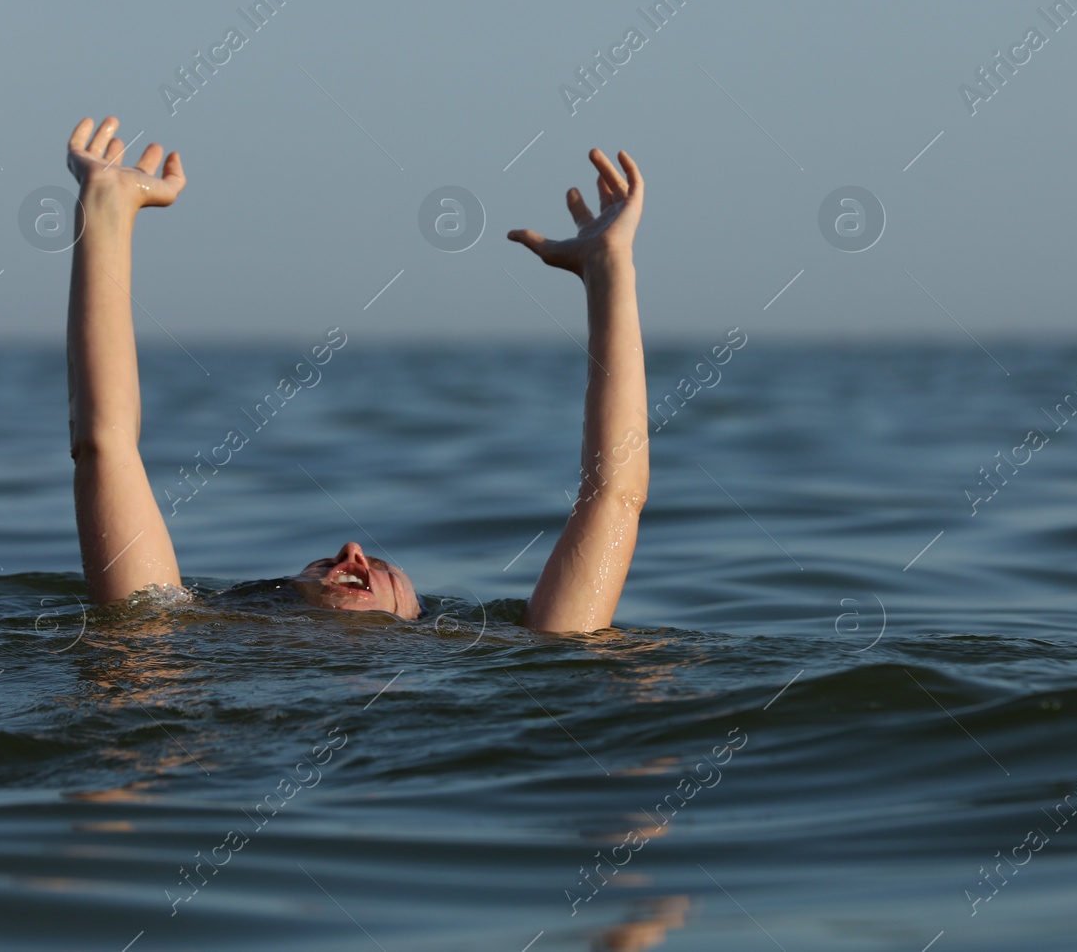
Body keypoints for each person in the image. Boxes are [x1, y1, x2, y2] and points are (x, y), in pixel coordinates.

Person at [64, 115, 648, 633]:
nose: (351, 550)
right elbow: (103, 444)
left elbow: (614, 498)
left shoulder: (471, 659)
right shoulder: (180, 633)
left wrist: (609, 271)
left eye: (386, 572)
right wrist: (105, 210)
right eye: (325, 564)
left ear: (421, 624)